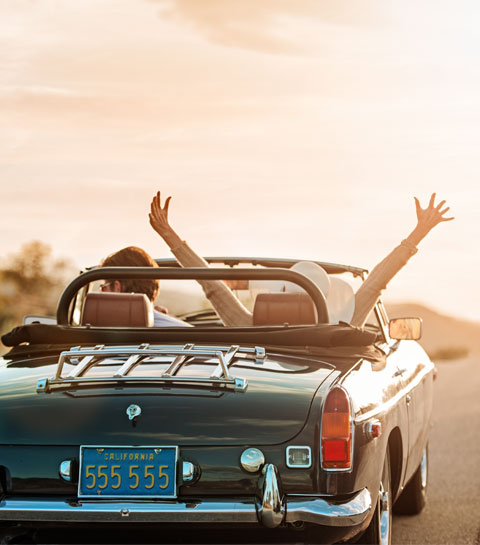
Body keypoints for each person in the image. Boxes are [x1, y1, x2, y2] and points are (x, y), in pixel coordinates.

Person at [149, 192, 453, 328]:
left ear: (280, 296)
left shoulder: (249, 326)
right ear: (328, 297)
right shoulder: (343, 328)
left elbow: (211, 286)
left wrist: (169, 235)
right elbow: (377, 282)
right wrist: (418, 233)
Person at [100, 246, 191, 327]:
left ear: (117, 288)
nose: (101, 294)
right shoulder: (188, 334)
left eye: (103, 288)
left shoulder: (94, 333)